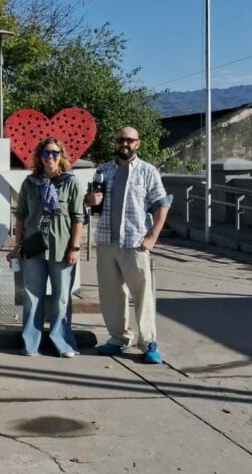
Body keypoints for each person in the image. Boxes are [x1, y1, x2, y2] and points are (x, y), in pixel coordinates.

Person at [84, 126, 170, 364]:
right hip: (106, 241)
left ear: (137, 144)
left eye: (129, 140)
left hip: (134, 243)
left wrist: (152, 237)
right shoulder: (104, 170)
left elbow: (162, 205)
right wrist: (89, 200)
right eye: (121, 139)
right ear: (116, 142)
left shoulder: (147, 171)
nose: (125, 143)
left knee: (142, 294)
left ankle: (148, 341)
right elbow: (92, 204)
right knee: (111, 295)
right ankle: (119, 338)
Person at [8, 137, 84, 357]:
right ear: (39, 157)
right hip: (33, 248)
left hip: (62, 248)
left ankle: (62, 343)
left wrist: (75, 248)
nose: (50, 157)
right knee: (32, 296)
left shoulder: (71, 182)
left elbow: (78, 217)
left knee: (61, 297)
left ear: (61, 156)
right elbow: (21, 215)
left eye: (54, 153)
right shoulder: (30, 183)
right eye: (45, 153)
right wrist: (17, 245)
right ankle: (31, 344)